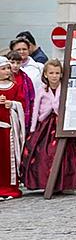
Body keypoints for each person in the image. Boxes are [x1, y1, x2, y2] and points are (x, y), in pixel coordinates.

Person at [21, 59, 76, 194]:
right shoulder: (41, 89)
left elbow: (72, 105)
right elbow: (36, 108)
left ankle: (69, 184)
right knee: (44, 153)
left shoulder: (66, 89)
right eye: (51, 73)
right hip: (45, 124)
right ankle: (47, 182)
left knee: (69, 153)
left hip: (63, 123)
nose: (54, 76)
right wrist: (33, 128)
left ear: (61, 74)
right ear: (46, 74)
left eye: (57, 73)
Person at [0, 56, 27, 200]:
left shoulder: (14, 86)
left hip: (8, 129)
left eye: (8, 68)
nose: (7, 71)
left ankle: (9, 186)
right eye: (3, 69)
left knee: (7, 158)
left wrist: (12, 104)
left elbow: (22, 103)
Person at [7, 51, 35, 131]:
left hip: (23, 112)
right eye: (12, 62)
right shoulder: (3, 79)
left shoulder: (26, 78)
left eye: (18, 63)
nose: (15, 65)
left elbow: (32, 98)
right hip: (9, 113)